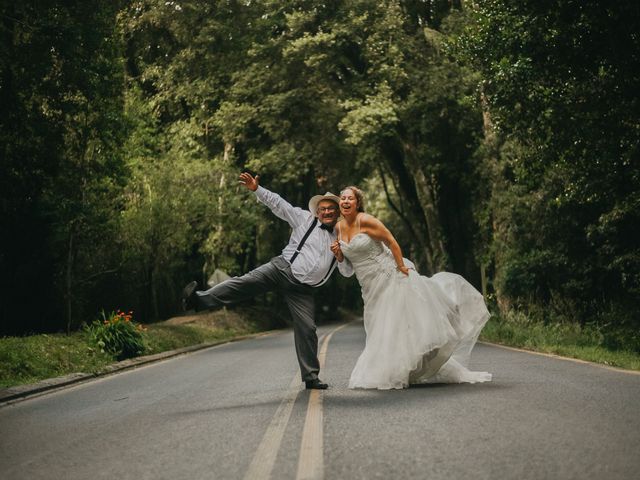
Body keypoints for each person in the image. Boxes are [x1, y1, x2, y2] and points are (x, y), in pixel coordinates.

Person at [182, 172, 341, 390]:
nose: (327, 212)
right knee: (242, 283)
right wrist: (257, 189)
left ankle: (311, 377)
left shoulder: (342, 236)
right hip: (281, 268)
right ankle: (198, 300)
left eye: (331, 209)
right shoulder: (304, 218)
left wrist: (341, 254)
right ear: (317, 211)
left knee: (307, 328)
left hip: (303, 290)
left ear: (338, 212)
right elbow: (280, 205)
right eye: (323, 209)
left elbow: (347, 267)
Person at [330, 186, 492, 390]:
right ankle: (396, 367)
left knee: (395, 323)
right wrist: (338, 255)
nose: (345, 201)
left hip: (387, 274)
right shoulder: (338, 228)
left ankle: (399, 370)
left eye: (350, 198)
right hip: (368, 285)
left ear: (357, 203)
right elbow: (347, 264)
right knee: (378, 325)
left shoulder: (367, 220)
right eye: (342, 198)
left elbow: (391, 241)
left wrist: (401, 266)